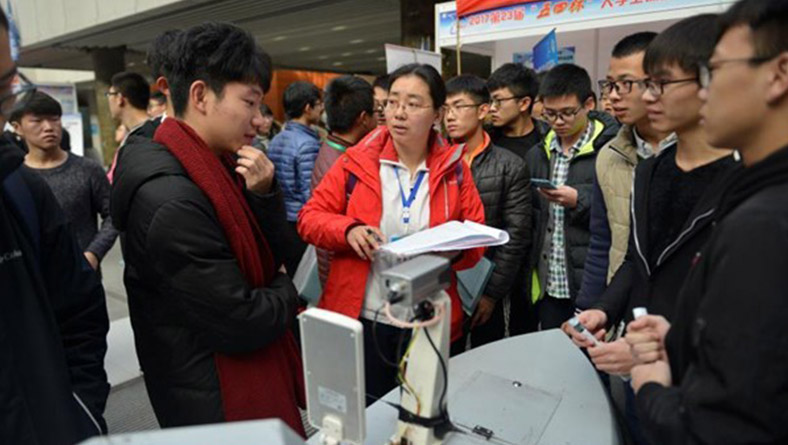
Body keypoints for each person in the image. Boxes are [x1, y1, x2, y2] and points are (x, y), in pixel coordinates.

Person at [110, 22, 304, 433]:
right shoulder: (171, 199)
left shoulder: (219, 162)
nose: (260, 121)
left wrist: (264, 196)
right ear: (199, 95)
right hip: (212, 393)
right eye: (250, 103)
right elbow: (240, 320)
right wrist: (288, 286)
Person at [566, 15, 738, 443]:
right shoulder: (649, 172)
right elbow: (637, 260)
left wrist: (668, 350)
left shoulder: (744, 179)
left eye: (658, 83)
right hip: (641, 359)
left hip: (707, 379)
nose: (645, 96)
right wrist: (604, 309)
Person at [625, 1, 788, 443]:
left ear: (778, 73)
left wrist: (652, 388)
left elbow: (724, 429)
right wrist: (680, 339)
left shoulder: (764, 225)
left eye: (712, 72)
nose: (703, 92)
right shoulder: (752, 195)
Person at [298, 63, 485, 404]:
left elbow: (475, 244)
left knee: (423, 411)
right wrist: (348, 229)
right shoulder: (356, 162)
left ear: (437, 114)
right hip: (366, 316)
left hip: (428, 317)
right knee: (369, 410)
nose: (398, 113)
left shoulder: (455, 169)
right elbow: (309, 218)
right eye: (392, 102)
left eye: (413, 104)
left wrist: (451, 250)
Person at [0, 10, 110, 443]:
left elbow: (81, 315)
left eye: (4, 85)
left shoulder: (23, 188)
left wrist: (81, 411)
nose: (48, 128)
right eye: (36, 121)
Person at [576, 32, 671, 311]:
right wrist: (589, 307)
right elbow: (601, 241)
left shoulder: (695, 151)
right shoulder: (608, 156)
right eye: (610, 85)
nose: (613, 96)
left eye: (626, 84)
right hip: (622, 304)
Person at [526, 64, 619, 330]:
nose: (558, 122)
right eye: (550, 114)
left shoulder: (610, 151)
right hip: (549, 282)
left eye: (567, 113)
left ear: (589, 104)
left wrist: (581, 200)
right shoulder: (538, 154)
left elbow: (620, 213)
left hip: (591, 283)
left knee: (588, 351)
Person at [443, 74, 532, 349]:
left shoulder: (509, 166)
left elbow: (516, 235)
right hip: (441, 283)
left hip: (485, 280)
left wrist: (491, 293)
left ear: (483, 110)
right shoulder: (435, 160)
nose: (450, 116)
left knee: (485, 356)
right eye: (445, 108)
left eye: (459, 106)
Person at [12, 91, 118, 271]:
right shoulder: (13, 177)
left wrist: (93, 253)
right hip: (32, 277)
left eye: (54, 119)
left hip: (83, 275)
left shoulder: (87, 169)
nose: (48, 127)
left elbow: (114, 215)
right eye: (37, 121)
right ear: (18, 128)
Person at [310, 75, 376, 286]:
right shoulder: (342, 163)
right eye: (376, 112)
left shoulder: (331, 148)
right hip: (341, 276)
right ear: (364, 118)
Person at [268, 80, 323, 276]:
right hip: (300, 222)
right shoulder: (308, 144)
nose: (322, 109)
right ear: (308, 108)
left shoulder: (277, 139)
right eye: (319, 104)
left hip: (282, 216)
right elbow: (310, 192)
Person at [106, 71, 158, 183]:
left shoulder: (148, 136)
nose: (108, 100)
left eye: (109, 95)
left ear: (120, 98)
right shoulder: (135, 134)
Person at [487, 63, 546, 159]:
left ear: (524, 103)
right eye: (490, 101)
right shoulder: (485, 139)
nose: (491, 108)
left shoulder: (550, 139)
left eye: (498, 101)